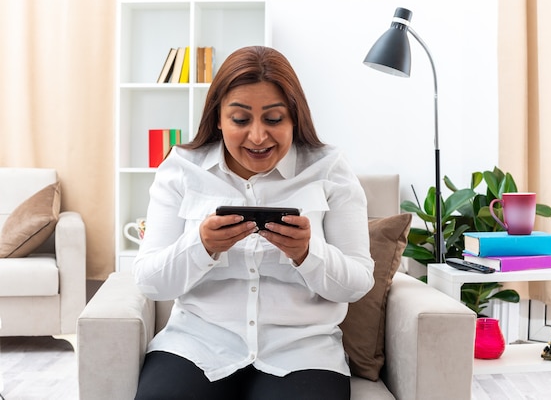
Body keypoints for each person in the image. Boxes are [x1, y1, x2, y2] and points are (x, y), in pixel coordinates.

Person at [133, 46, 374, 400]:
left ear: (295, 118)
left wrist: (308, 253)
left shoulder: (329, 169)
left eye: (274, 120)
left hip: (303, 351)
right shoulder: (182, 168)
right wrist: (202, 245)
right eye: (241, 120)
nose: (258, 137)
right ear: (218, 118)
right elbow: (150, 282)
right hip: (197, 343)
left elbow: (357, 284)